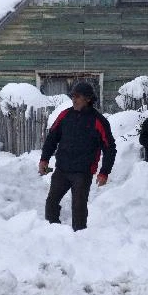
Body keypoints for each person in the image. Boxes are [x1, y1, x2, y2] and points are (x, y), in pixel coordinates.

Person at [38, 82, 117, 231]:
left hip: (83, 172)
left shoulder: (98, 121)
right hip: (62, 169)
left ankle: (79, 237)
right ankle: (52, 231)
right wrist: (44, 159)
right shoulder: (65, 115)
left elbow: (109, 148)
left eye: (78, 97)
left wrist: (104, 172)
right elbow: (52, 138)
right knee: (51, 202)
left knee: (79, 207)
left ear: (88, 99)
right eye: (73, 96)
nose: (74, 100)